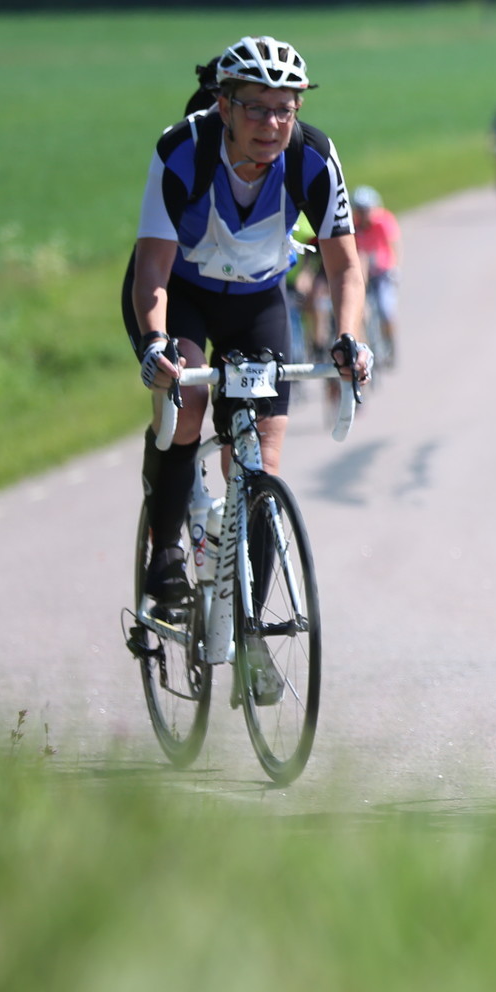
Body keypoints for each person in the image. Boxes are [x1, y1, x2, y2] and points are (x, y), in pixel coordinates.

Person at [125, 34, 372, 610]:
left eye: (285, 108)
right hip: (179, 292)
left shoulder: (313, 157)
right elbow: (152, 268)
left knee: (263, 452)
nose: (272, 123)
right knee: (186, 403)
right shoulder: (183, 149)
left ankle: (249, 621)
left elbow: (345, 268)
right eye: (256, 107)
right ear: (224, 105)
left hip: (257, 300)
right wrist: (156, 343)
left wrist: (349, 338)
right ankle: (166, 553)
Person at [352, 185, 403, 367]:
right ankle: (365, 346)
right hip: (363, 273)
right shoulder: (353, 226)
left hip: (383, 271)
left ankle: (389, 342)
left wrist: (396, 268)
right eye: (360, 210)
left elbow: (393, 244)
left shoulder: (383, 221)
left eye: (366, 210)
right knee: (362, 311)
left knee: (385, 308)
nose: (364, 214)